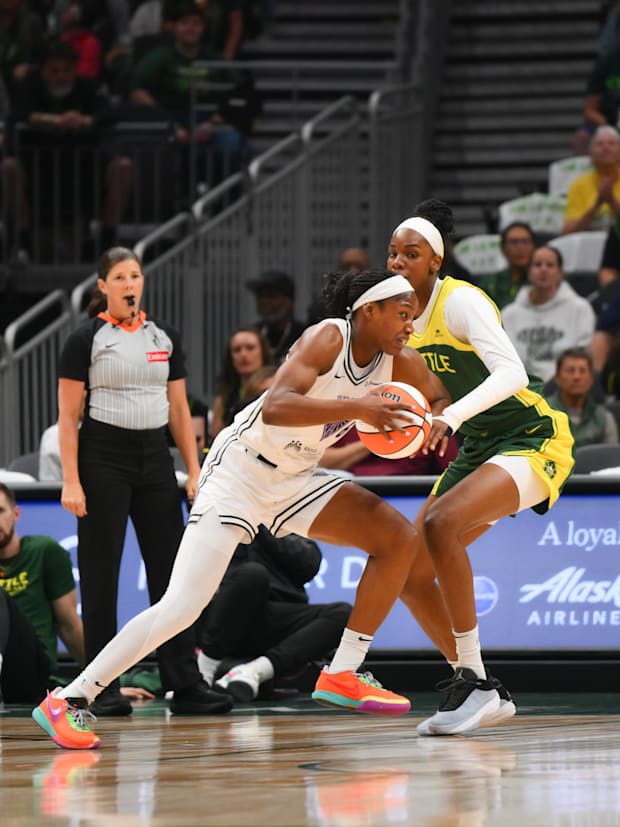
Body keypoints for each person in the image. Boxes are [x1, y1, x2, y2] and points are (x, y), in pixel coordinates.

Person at [32, 266, 454, 749]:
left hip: (295, 478)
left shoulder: (396, 359)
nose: (410, 325)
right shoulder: (328, 337)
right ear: (369, 311)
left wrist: (433, 421)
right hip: (240, 473)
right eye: (402, 314)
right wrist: (360, 410)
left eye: (414, 316)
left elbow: (438, 396)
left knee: (398, 539)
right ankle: (69, 699)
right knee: (181, 607)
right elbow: (277, 406)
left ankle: (343, 671)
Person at [386, 198, 574, 735]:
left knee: (442, 523)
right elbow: (434, 382)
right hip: (479, 445)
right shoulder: (403, 317)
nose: (398, 262)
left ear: (435, 262)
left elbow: (512, 375)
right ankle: (478, 684)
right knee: (407, 570)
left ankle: (473, 682)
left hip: (530, 435)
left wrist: (451, 416)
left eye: (411, 253)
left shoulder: (460, 302)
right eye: (393, 253)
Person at [51, 245, 231, 719]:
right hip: (102, 458)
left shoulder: (164, 336)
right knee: (101, 574)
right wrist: (71, 480)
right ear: (103, 286)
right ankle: (100, 686)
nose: (130, 284)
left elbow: (178, 411)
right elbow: (68, 418)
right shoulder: (84, 339)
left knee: (172, 575)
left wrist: (195, 469)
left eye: (136, 276)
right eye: (120, 277)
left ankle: (184, 682)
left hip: (155, 458)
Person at [0, 483, 154, 705]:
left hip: (30, 669)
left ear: (16, 513)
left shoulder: (44, 551)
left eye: (1, 511)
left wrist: (106, 683)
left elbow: (70, 627)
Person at [0, 38, 132, 258]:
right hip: (37, 171)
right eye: (54, 71)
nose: (60, 76)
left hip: (84, 171)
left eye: (66, 70)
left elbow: (110, 114)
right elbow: (17, 115)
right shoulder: (29, 87)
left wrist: (85, 120)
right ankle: (21, 240)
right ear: (42, 71)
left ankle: (107, 237)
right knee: (8, 167)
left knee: (123, 166)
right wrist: (52, 120)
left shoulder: (87, 87)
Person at [198, 525, 352, 701]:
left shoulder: (285, 521)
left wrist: (260, 523)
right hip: (223, 617)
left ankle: (253, 672)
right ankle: (202, 675)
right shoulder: (213, 520)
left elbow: (308, 565)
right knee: (253, 575)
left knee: (344, 614)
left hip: (276, 618)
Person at [502, 244, 596, 383]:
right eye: (537, 264)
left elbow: (583, 356)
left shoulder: (580, 309)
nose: (543, 269)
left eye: (550, 265)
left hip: (565, 386)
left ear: (560, 273)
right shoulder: (509, 314)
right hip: (520, 386)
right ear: (529, 271)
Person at [562, 125, 620, 286]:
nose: (605, 148)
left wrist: (612, 201)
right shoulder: (578, 185)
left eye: (611, 143)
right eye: (600, 144)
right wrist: (598, 204)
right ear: (590, 152)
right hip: (584, 261)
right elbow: (567, 232)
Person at [546, 347, 618, 447]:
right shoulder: (542, 414)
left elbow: (611, 457)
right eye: (570, 371)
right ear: (557, 378)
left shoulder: (604, 418)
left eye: (583, 371)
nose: (577, 377)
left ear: (592, 379)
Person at [210, 326, 273, 437]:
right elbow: (216, 437)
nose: (243, 354)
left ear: (263, 352)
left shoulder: (273, 386)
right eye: (237, 350)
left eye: (250, 348)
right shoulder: (224, 396)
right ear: (231, 358)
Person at [320, 426, 458, 477]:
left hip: (410, 495)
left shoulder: (430, 422)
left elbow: (452, 474)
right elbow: (320, 461)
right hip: (354, 488)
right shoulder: (347, 410)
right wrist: (375, 442)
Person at [245, 270, 307, 363]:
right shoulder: (250, 336)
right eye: (260, 297)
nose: (264, 302)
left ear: (289, 302)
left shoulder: (304, 336)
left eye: (271, 296)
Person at [477, 222, 536, 309]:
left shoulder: (546, 281)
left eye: (525, 241)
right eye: (514, 242)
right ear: (503, 249)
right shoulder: (490, 283)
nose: (520, 247)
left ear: (534, 247)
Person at [306, 247, 371, 325]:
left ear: (369, 271)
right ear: (337, 271)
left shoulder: (379, 304)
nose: (353, 271)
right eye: (346, 267)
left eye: (360, 267)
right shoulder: (320, 308)